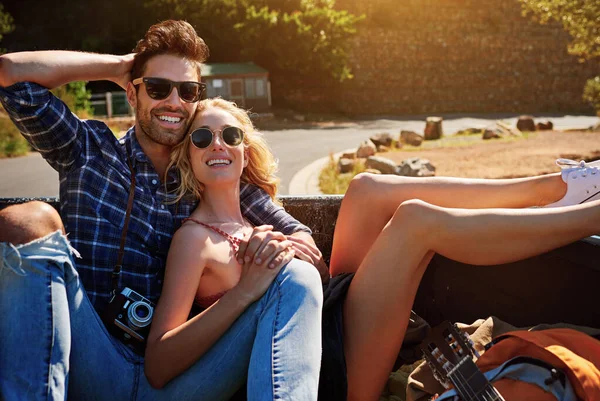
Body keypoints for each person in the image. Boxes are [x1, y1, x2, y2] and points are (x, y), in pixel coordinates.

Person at [167, 97, 600, 401]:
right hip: (326, 370)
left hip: (329, 316)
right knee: (414, 221)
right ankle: (590, 216)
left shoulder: (259, 215)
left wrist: (302, 250)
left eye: (230, 134)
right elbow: (161, 358)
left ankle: (560, 187)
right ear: (188, 157)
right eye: (202, 138)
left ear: (246, 150)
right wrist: (247, 290)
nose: (218, 144)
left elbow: (312, 280)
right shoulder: (194, 239)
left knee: (366, 188)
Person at [0, 20, 323, 400]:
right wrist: (118, 65)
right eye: (157, 88)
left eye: (187, 91)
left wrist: (272, 250)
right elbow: (10, 76)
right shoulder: (88, 150)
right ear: (132, 94)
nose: (173, 101)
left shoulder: (205, 169)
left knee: (296, 276)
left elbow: (302, 241)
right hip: (92, 356)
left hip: (183, 376)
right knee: (27, 219)